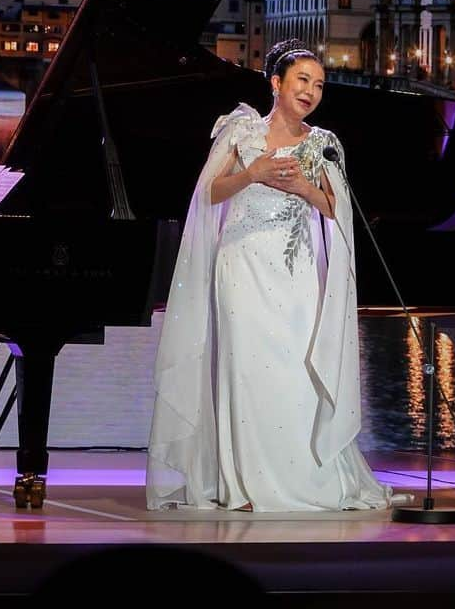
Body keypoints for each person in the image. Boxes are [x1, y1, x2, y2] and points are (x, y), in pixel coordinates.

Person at [146, 39, 404, 512]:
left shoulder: (323, 144)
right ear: (276, 83)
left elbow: (335, 208)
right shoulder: (240, 133)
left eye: (320, 84)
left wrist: (306, 187)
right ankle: (242, 483)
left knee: (295, 371)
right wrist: (254, 173)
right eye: (302, 80)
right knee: (245, 370)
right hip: (240, 266)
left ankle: (301, 475)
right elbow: (208, 194)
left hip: (297, 273)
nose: (311, 91)